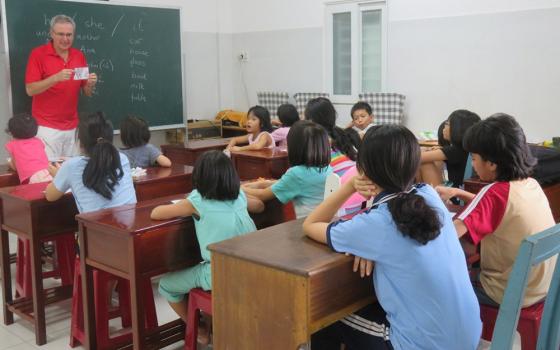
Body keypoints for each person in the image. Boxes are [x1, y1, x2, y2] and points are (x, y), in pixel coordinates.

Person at [304, 124, 481, 350]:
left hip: (424, 345)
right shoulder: (428, 194)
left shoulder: (376, 223)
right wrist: (367, 245)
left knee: (323, 316)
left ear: (364, 168)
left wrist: (349, 186)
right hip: (467, 336)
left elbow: (311, 224)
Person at [436, 114, 556, 307]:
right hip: (541, 287)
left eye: (474, 158)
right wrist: (457, 192)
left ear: (492, 163)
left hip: (504, 292)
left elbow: (448, 235)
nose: (473, 165)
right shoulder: (530, 185)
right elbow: (502, 210)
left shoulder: (493, 193)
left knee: (439, 284)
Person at [151, 150, 263, 327]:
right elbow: (259, 206)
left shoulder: (197, 200)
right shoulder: (238, 195)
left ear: (199, 178)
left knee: (166, 285)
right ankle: (209, 324)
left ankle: (198, 329)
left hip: (219, 273)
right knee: (195, 269)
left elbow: (156, 213)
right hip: (254, 268)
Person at [25, 14, 98, 159]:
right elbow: (30, 89)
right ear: (52, 33)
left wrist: (90, 84)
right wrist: (55, 78)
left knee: (72, 173)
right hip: (46, 128)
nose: (65, 39)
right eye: (61, 34)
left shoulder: (79, 56)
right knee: (49, 174)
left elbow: (87, 92)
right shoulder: (38, 54)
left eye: (69, 35)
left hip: (73, 127)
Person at [45, 112, 136, 213]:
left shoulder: (71, 167)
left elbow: (50, 196)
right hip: (130, 224)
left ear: (81, 144)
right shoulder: (122, 158)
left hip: (96, 228)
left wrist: (59, 175)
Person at [242, 120, 332, 219]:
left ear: (294, 147)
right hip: (324, 221)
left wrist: (238, 189)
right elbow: (288, 183)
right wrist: (260, 184)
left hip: (304, 224)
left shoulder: (297, 173)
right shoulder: (327, 169)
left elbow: (262, 195)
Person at [418, 109, 480, 187]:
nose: (444, 127)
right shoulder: (465, 149)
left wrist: (424, 150)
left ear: (456, 128)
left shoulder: (455, 150)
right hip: (460, 192)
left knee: (425, 163)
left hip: (455, 197)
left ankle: (424, 195)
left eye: (447, 124)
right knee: (435, 161)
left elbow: (418, 157)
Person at [305, 97, 356, 177]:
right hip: (354, 175)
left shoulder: (316, 138)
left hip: (337, 183)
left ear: (310, 119)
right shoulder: (339, 132)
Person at [5, 113, 52, 184]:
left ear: (11, 132)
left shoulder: (12, 145)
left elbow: (15, 167)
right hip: (48, 174)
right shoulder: (38, 141)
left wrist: (9, 163)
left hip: (29, 179)